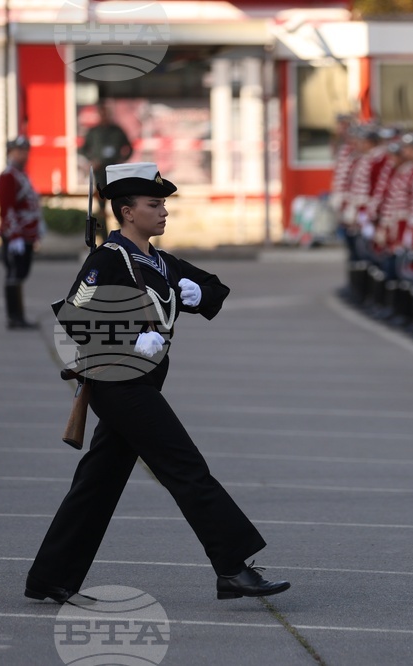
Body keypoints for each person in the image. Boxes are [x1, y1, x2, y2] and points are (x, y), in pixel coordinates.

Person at [26, 162, 289, 604]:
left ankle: (49, 577)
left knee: (97, 485)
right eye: (154, 204)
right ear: (127, 212)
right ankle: (233, 566)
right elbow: (73, 316)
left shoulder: (159, 260)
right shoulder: (108, 260)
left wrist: (199, 295)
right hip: (119, 386)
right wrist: (129, 337)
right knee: (187, 469)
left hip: (143, 386)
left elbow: (214, 287)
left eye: (163, 202)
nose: (163, 211)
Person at [0, 135, 43, 329]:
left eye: (25, 151)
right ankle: (15, 317)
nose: (23, 155)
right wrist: (14, 236)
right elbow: (6, 208)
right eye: (18, 151)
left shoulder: (22, 175)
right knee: (14, 274)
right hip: (16, 236)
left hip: (26, 235)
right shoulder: (8, 176)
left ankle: (18, 316)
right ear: (10, 153)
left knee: (20, 274)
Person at [80, 103, 134, 228]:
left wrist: (122, 161)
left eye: (106, 113)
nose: (104, 116)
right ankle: (104, 235)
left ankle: (121, 234)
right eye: (102, 113)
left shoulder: (117, 130)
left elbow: (129, 148)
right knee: (101, 205)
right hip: (100, 172)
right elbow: (83, 149)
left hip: (115, 171)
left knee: (119, 203)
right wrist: (92, 160)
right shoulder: (93, 131)